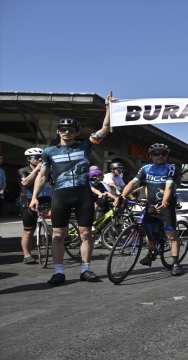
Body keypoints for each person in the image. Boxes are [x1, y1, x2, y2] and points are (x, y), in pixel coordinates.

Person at [30, 93, 116, 285]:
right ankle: (59, 272)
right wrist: (35, 197)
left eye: (71, 129)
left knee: (86, 233)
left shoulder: (86, 146)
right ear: (58, 131)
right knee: (59, 234)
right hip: (61, 194)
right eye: (63, 129)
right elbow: (42, 175)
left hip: (83, 193)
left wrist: (108, 107)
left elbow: (104, 129)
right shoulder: (49, 152)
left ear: (77, 132)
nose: (66, 132)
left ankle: (86, 269)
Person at [117, 143, 183, 275]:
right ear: (151, 155)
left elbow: (169, 186)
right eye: (156, 154)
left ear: (167, 155)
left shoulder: (171, 167)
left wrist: (165, 201)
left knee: (171, 235)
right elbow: (133, 182)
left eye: (163, 153)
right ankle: (152, 251)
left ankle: (175, 263)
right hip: (151, 204)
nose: (159, 156)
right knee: (148, 231)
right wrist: (122, 196)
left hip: (166, 205)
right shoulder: (146, 168)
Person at [17, 148, 51, 263]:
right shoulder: (23, 170)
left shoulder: (47, 170)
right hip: (28, 201)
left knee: (60, 224)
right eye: (37, 158)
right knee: (29, 230)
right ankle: (27, 255)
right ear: (29, 159)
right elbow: (25, 183)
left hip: (46, 199)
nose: (40, 160)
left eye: (42, 157)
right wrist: (37, 169)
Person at [0, 152, 5, 217]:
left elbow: (4, 182)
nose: (0, 160)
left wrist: (2, 190)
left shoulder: (2, 171)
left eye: (1, 159)